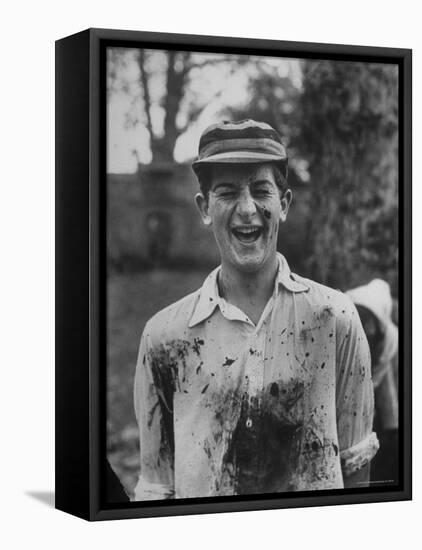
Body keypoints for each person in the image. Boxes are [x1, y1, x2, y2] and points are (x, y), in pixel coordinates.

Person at [133, 119, 379, 500]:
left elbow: (356, 467)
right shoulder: (164, 338)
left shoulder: (335, 319)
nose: (246, 208)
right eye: (228, 192)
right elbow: (156, 488)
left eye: (261, 190)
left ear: (283, 204)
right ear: (204, 208)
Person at [347, 279, 399, 483]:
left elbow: (379, 374)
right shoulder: (352, 311)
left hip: (379, 374)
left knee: (388, 411)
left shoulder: (390, 340)